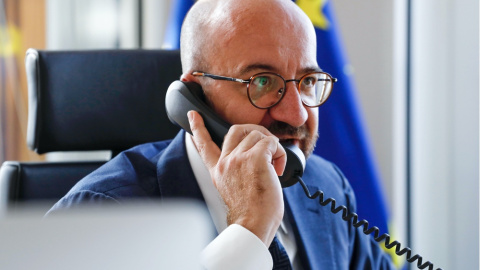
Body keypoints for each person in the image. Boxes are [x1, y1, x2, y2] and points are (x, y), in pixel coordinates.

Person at [47, 0, 395, 269]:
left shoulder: (326, 186)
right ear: (194, 100)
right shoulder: (102, 215)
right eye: (262, 82)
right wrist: (247, 233)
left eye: (306, 82)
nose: (297, 113)